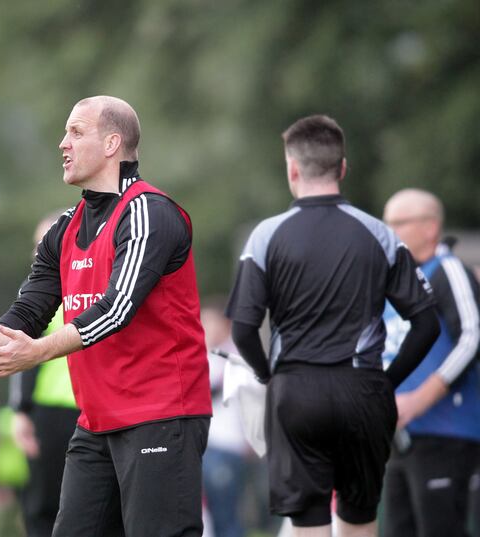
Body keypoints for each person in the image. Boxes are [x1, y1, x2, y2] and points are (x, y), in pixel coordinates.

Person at [0, 95, 212, 536]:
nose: (63, 143)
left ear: (113, 143)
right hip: (95, 422)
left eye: (76, 132)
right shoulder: (64, 227)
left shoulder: (150, 212)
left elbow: (116, 310)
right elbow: (31, 307)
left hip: (161, 416)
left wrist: (36, 353)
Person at [225, 115, 440, 537]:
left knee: (307, 525)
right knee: (359, 522)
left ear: (292, 170)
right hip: (363, 391)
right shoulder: (381, 234)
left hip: (295, 391)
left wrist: (270, 374)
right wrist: (387, 381)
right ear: (343, 168)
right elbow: (426, 324)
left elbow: (243, 329)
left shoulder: (266, 236)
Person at [381, 188, 480, 537]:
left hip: (444, 432)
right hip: (400, 437)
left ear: (429, 227)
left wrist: (419, 399)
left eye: (398, 222)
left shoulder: (447, 269)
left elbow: (472, 338)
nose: (387, 230)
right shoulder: (395, 280)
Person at [8, 211, 81, 537]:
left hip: (95, 411)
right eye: (37, 245)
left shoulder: (98, 285)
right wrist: (21, 412)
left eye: (47, 243)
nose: (40, 252)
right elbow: (20, 351)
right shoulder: (36, 293)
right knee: (43, 504)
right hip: (49, 413)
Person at [200, 299, 252, 537]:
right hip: (212, 448)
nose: (204, 328)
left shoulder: (230, 356)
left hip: (225, 448)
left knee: (225, 518)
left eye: (209, 323)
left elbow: (205, 391)